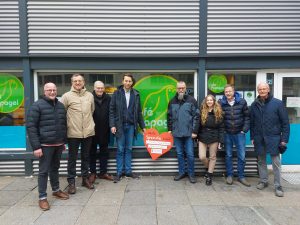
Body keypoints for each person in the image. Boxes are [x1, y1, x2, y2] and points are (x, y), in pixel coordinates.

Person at [27, 82, 69, 211]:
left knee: (55, 168)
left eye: (54, 90)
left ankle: (56, 190)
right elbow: (31, 127)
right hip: (44, 145)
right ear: (44, 91)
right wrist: (36, 147)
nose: (52, 92)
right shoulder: (37, 106)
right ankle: (42, 197)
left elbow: (63, 125)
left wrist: (63, 142)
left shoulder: (61, 106)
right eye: (49, 90)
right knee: (43, 171)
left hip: (58, 144)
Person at [250, 82, 290, 197]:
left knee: (276, 163)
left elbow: (285, 123)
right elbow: (252, 123)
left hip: (274, 138)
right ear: (258, 91)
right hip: (259, 138)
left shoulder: (277, 103)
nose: (262, 91)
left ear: (268, 90)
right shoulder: (254, 105)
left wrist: (284, 140)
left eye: (264, 89)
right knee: (261, 161)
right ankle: (263, 181)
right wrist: (253, 137)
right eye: (260, 89)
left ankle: (278, 185)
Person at [61, 74, 95, 194]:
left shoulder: (89, 95)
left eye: (80, 81)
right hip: (73, 132)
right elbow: (61, 113)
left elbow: (92, 110)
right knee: (72, 158)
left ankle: (85, 179)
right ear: (72, 83)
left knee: (86, 156)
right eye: (75, 81)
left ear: (84, 82)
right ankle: (71, 182)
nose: (78, 83)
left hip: (88, 132)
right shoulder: (66, 96)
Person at [109, 73, 146, 183]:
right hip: (119, 126)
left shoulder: (136, 94)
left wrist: (143, 126)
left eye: (129, 81)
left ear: (132, 82)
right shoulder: (116, 93)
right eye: (126, 80)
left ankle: (128, 171)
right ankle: (119, 172)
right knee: (120, 149)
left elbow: (138, 112)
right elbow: (111, 110)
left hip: (131, 126)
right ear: (122, 81)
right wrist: (112, 125)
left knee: (129, 149)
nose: (127, 83)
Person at [167, 81, 199, 183]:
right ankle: (181, 172)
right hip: (176, 133)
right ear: (176, 89)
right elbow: (169, 116)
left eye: (183, 88)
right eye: (179, 88)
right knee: (180, 153)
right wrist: (169, 129)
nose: (181, 90)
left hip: (189, 134)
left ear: (186, 88)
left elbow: (197, 117)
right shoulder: (172, 101)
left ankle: (191, 174)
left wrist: (194, 131)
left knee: (190, 154)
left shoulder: (192, 100)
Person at [220, 84, 250, 186]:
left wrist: (244, 130)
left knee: (241, 155)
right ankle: (230, 175)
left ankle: (241, 176)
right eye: (226, 92)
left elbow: (247, 117)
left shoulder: (242, 102)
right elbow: (220, 119)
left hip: (239, 133)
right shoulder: (221, 103)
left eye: (230, 91)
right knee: (228, 155)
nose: (228, 93)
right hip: (227, 133)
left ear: (234, 92)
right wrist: (223, 131)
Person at [89, 81, 113, 183]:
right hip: (92, 130)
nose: (100, 90)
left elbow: (112, 112)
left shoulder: (109, 98)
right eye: (98, 88)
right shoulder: (89, 98)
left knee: (104, 152)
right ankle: (93, 173)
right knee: (92, 152)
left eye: (102, 88)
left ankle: (103, 172)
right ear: (94, 88)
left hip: (105, 129)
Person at [198, 94, 224, 185]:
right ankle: (208, 167)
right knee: (202, 156)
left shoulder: (218, 112)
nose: (209, 102)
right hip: (203, 136)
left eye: (211, 100)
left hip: (214, 136)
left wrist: (221, 141)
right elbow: (198, 126)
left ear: (214, 101)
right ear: (206, 102)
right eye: (207, 100)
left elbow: (221, 128)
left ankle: (209, 175)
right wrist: (196, 136)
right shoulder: (202, 111)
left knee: (212, 157)